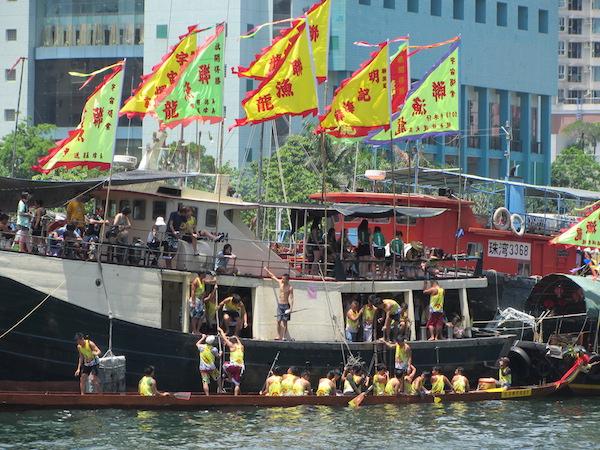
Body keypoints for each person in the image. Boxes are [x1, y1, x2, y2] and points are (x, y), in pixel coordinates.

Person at [264, 267, 295, 341]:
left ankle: (284, 336)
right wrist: (267, 270)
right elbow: (273, 276)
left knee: (285, 322)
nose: (282, 280)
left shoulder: (290, 288)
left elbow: (292, 298)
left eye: (284, 279)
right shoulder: (280, 283)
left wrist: (291, 308)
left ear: (287, 280)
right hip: (280, 305)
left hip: (286, 305)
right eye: (282, 278)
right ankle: (278, 335)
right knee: (278, 321)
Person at [217, 327, 245, 395]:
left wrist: (221, 331)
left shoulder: (232, 346)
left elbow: (224, 338)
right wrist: (236, 338)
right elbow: (238, 342)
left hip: (233, 365)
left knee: (224, 365)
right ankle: (236, 397)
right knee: (237, 384)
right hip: (240, 367)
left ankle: (230, 378)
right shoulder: (241, 347)